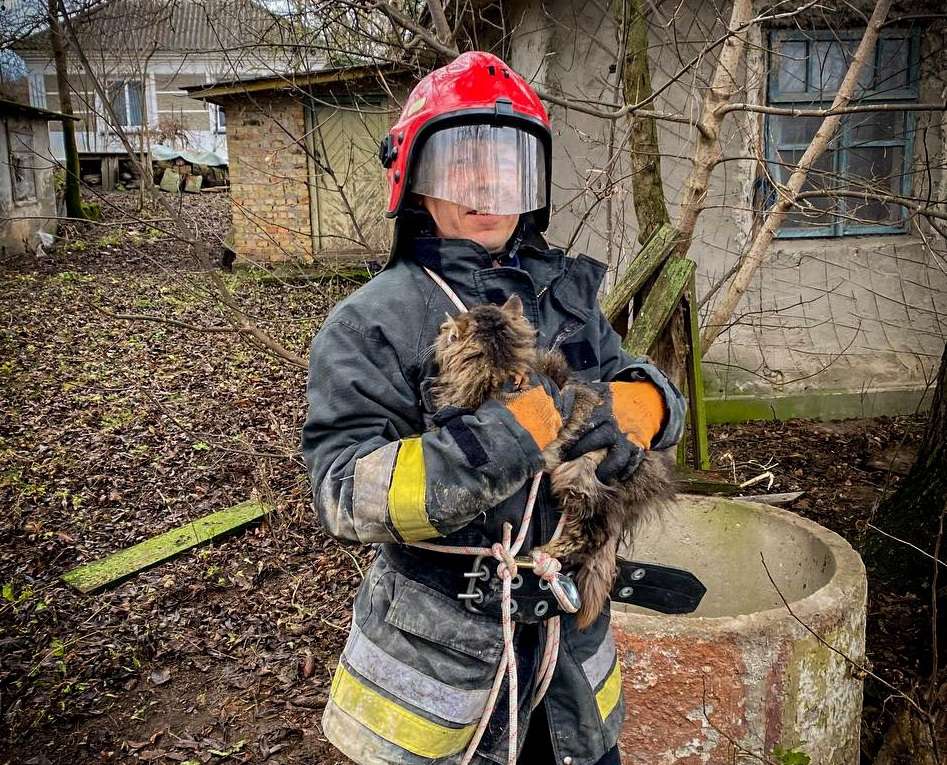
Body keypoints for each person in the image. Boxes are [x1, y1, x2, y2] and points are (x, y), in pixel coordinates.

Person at [301, 51, 686, 765]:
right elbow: (341, 492)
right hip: (440, 673)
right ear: (414, 179)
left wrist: (649, 407)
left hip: (569, 659)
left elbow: (631, 383)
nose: (485, 185)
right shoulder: (372, 321)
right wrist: (504, 440)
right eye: (460, 164)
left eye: (506, 166)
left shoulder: (563, 293)